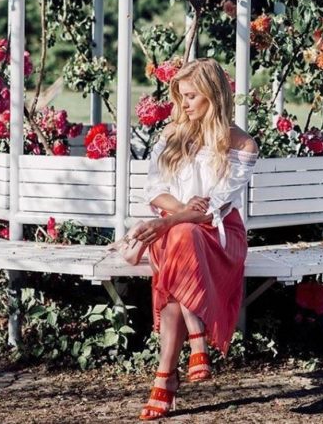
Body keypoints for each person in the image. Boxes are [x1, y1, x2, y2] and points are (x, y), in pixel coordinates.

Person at [136, 58, 258, 421]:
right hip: (176, 230)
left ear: (213, 95)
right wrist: (179, 213)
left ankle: (165, 377)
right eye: (181, 96)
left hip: (220, 236)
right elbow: (154, 189)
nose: (184, 104)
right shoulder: (172, 134)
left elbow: (214, 209)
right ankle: (194, 341)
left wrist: (170, 222)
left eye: (191, 96)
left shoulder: (242, 145)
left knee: (182, 235)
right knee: (182, 236)